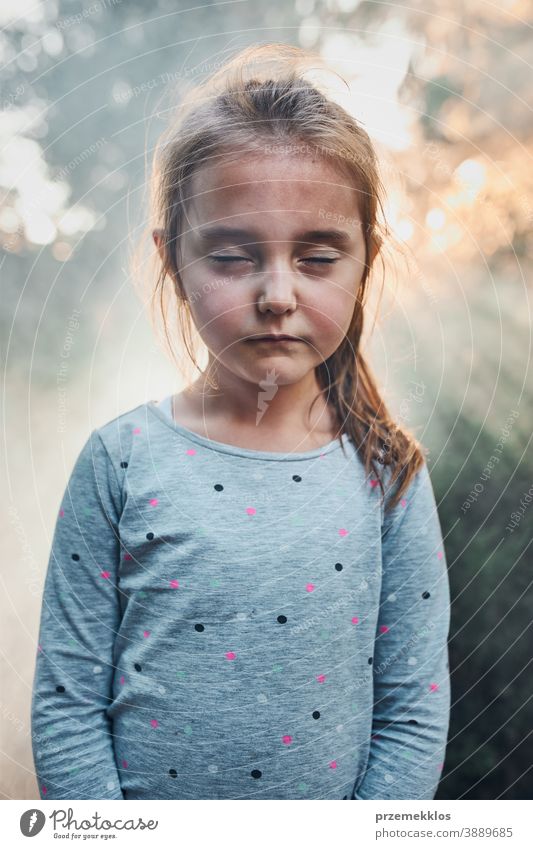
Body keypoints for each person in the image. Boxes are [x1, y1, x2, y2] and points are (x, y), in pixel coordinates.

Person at [31, 43, 451, 800]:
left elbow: (411, 710)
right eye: (232, 256)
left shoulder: (386, 475)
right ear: (172, 262)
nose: (276, 293)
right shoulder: (119, 462)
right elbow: (68, 704)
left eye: (318, 257)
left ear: (365, 261)